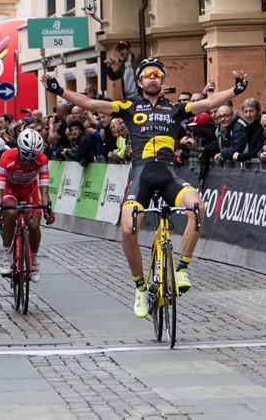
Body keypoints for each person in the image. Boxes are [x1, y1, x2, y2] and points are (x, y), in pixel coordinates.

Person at [41, 58, 248, 318]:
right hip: (141, 176)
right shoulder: (128, 106)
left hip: (168, 175)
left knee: (198, 207)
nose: (153, 78)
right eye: (148, 74)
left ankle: (182, 269)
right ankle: (140, 287)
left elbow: (207, 104)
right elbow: (91, 104)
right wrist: (59, 90)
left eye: (157, 75)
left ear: (162, 81)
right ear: (139, 81)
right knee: (128, 228)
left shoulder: (175, 108)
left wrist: (236, 90)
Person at [0, 129, 54, 282]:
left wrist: (47, 206)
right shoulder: (7, 157)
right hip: (10, 188)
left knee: (34, 225)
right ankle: (6, 256)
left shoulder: (42, 159)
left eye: (33, 156)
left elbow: (44, 186)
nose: (29, 160)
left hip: (30, 190)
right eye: (26, 155)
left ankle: (34, 261)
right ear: (19, 149)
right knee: (10, 213)